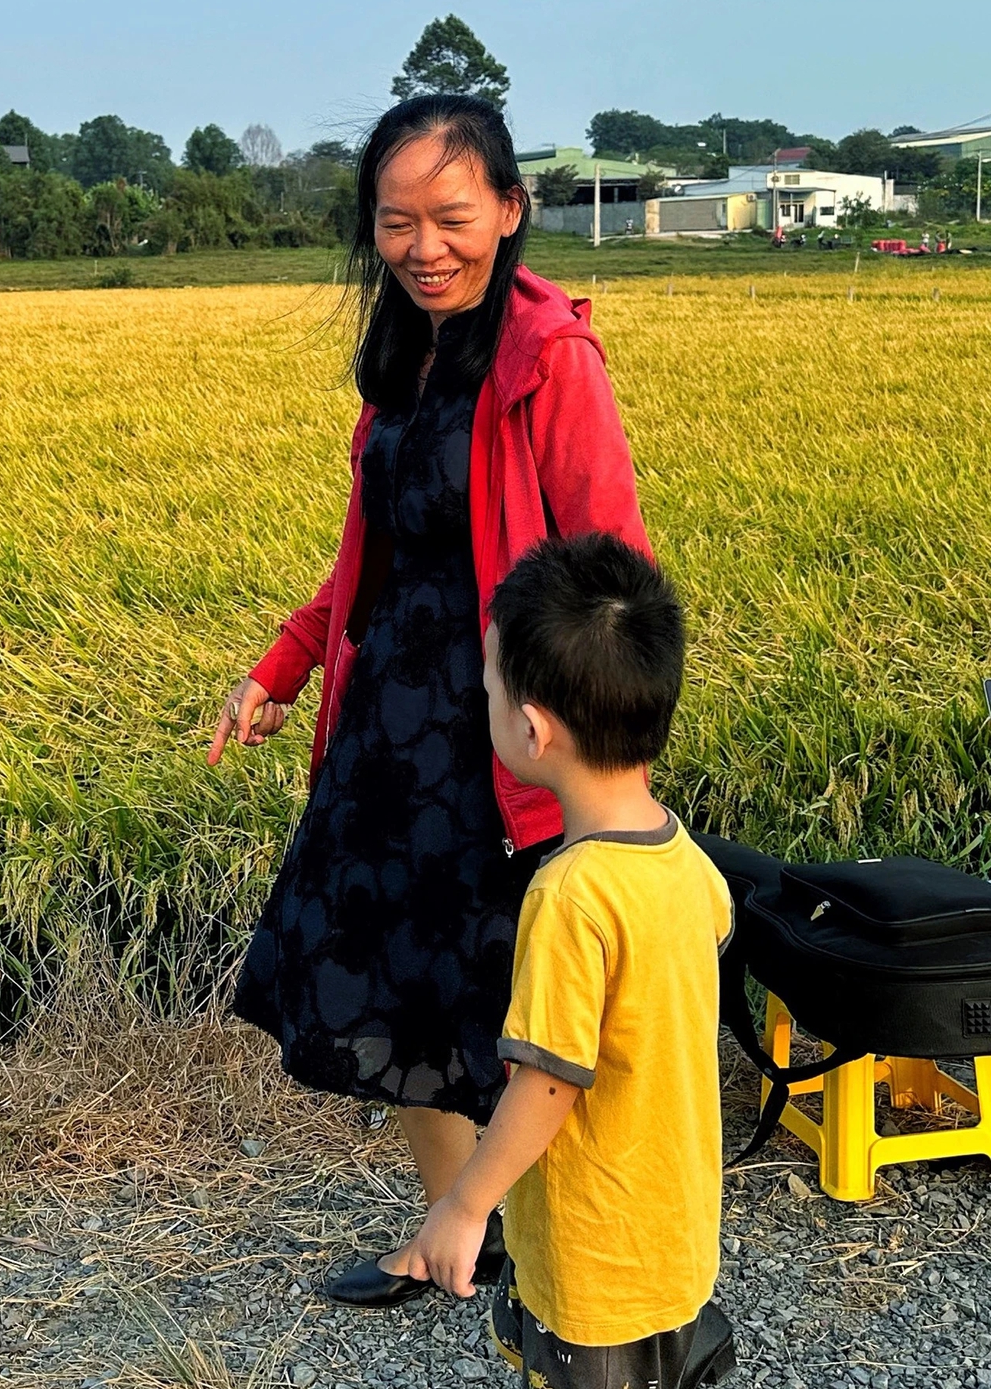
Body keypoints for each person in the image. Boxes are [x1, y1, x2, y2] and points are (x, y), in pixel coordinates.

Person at [206, 93, 650, 1306]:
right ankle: (456, 1227)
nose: (421, 246)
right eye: (394, 221)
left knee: (515, 1006)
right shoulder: (402, 361)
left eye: (449, 216)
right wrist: (282, 668)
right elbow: (372, 561)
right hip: (384, 740)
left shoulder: (547, 358)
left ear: (508, 209)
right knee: (397, 988)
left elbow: (613, 572)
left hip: (502, 744)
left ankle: (575, 1257)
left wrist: (600, 765)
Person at [398, 532, 735, 1388]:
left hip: (595, 1262)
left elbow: (548, 1081)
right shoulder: (687, 861)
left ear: (532, 727)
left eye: (488, 689)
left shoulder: (569, 896)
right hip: (675, 1239)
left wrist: (466, 1204)